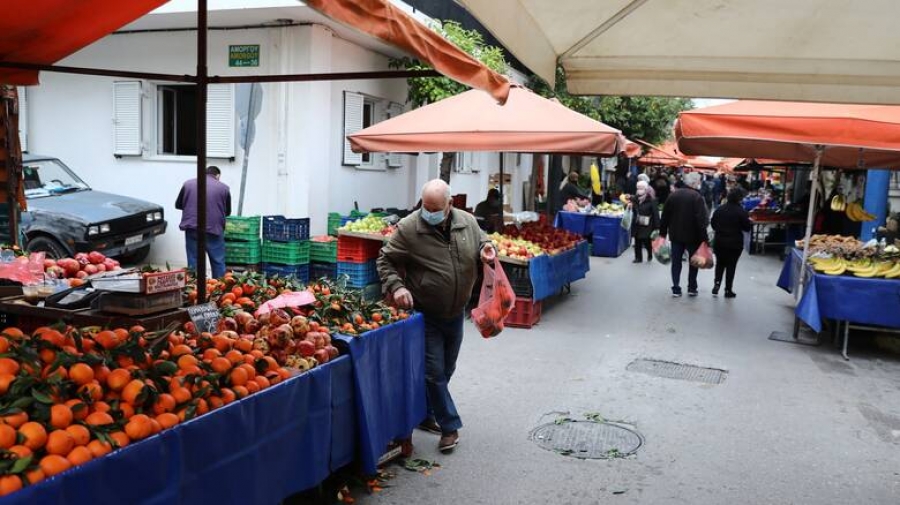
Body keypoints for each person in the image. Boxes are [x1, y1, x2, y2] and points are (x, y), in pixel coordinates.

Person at [377, 179, 496, 453]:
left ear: (449, 204)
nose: (427, 213)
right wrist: (397, 286)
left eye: (434, 208)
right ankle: (449, 426)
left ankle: (427, 413)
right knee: (433, 373)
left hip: (456, 311)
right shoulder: (409, 228)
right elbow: (385, 259)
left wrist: (487, 250)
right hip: (426, 312)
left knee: (446, 369)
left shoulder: (467, 221)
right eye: (424, 207)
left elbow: (483, 242)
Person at [175, 166, 231, 278]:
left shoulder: (188, 184)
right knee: (217, 261)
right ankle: (218, 288)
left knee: (193, 260)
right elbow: (228, 212)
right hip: (213, 229)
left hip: (192, 228)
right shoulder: (224, 188)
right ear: (218, 176)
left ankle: (194, 287)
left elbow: (178, 205)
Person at [660, 172, 709, 297]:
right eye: (698, 182)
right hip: (693, 237)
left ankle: (676, 287)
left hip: (676, 235)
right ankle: (692, 287)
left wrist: (662, 233)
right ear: (694, 183)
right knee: (694, 262)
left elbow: (665, 216)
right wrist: (705, 239)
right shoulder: (697, 197)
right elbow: (701, 220)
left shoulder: (673, 195)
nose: (699, 184)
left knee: (676, 262)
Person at [710, 188, 752, 298]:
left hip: (720, 241)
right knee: (731, 266)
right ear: (739, 199)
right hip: (735, 243)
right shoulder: (741, 211)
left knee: (719, 264)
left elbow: (713, 224)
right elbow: (747, 228)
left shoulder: (720, 209)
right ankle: (728, 290)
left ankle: (717, 284)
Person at [631, 180, 660, 263]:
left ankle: (649, 252)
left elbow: (656, 214)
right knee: (637, 240)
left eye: (641, 188)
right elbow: (633, 209)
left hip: (648, 224)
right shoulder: (635, 199)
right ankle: (638, 258)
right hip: (637, 223)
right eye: (638, 188)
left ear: (646, 189)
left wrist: (657, 227)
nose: (639, 190)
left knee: (646, 240)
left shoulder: (651, 200)